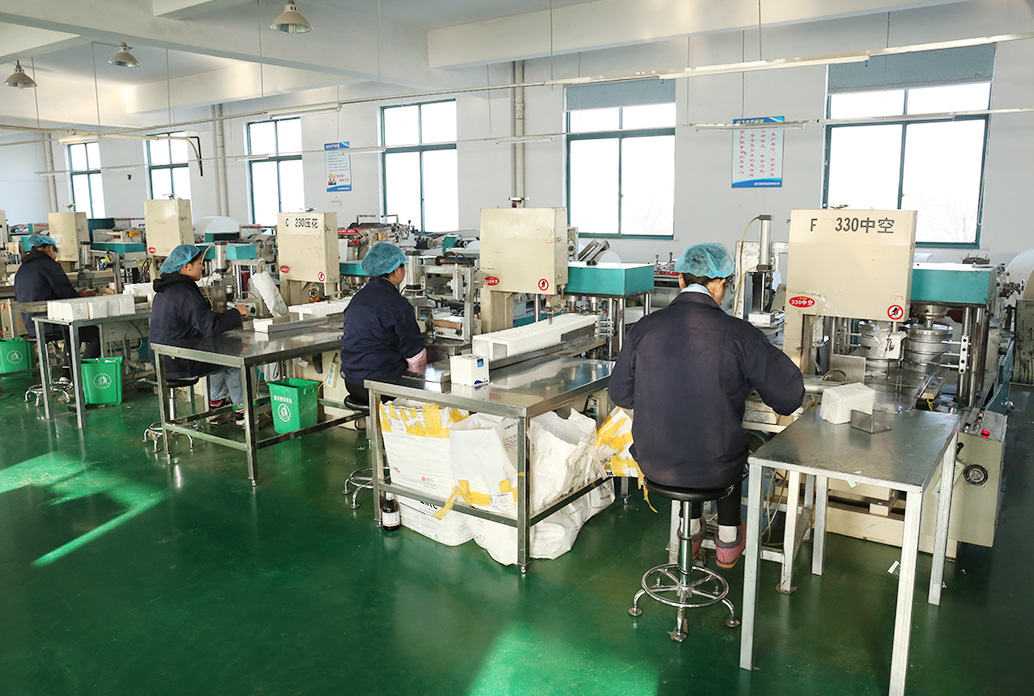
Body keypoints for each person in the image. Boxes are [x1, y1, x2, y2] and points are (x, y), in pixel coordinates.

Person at [608, 242, 805, 568]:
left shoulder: (644, 328)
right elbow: (789, 397)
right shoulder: (739, 333)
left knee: (691, 437)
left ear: (680, 280)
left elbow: (620, 394)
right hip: (715, 469)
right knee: (734, 443)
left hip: (654, 464)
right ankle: (728, 537)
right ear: (722, 285)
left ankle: (692, 527)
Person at [149, 244, 249, 425]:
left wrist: (216, 315)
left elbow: (192, 320)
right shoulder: (184, 292)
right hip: (178, 363)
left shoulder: (167, 290)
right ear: (186, 267)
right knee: (234, 360)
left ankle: (217, 406)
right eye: (199, 264)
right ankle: (244, 414)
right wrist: (236, 313)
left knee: (217, 358)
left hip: (163, 359)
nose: (202, 268)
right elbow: (210, 327)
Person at [340, 242, 426, 405]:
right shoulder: (397, 304)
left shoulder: (358, 298)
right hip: (381, 386)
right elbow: (415, 354)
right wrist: (418, 382)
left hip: (352, 382)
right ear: (396, 270)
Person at [13, 233, 101, 377]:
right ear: (50, 248)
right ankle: (83, 375)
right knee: (94, 333)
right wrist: (81, 296)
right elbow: (66, 293)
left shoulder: (23, 268)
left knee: (73, 329)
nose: (55, 256)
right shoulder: (49, 265)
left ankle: (67, 373)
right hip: (49, 323)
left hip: (32, 324)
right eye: (55, 252)